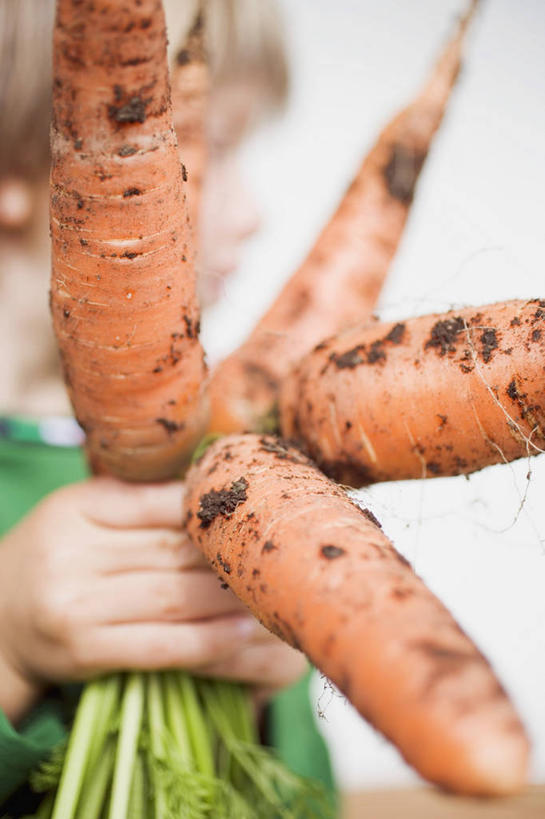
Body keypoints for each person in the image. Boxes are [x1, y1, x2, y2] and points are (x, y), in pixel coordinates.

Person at [0, 0, 334, 810]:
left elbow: (309, 799)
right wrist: (7, 651)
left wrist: (264, 687)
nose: (255, 214)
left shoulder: (220, 470)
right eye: (206, 143)